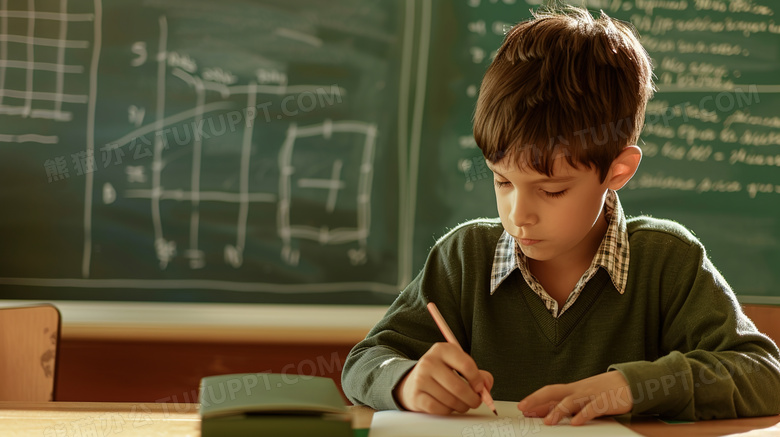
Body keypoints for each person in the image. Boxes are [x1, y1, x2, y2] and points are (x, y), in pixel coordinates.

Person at [341, 4, 780, 425]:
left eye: (551, 190)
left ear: (617, 170)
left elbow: (763, 373)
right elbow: (364, 362)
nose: (519, 215)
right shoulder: (463, 258)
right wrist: (404, 381)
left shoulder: (668, 262)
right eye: (503, 182)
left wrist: (631, 387)